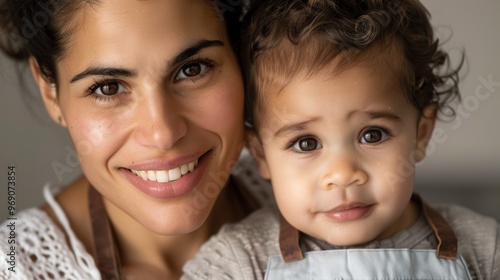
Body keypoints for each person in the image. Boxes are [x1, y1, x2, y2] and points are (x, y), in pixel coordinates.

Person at [182, 0, 500, 279]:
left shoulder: (484, 248)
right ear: (261, 154)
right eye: (306, 143)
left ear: (421, 134)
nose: (343, 173)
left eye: (372, 135)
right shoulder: (238, 261)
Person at [0, 0, 272, 279]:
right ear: (50, 93)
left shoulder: (310, 187)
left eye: (192, 69)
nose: (163, 134)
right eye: (109, 87)